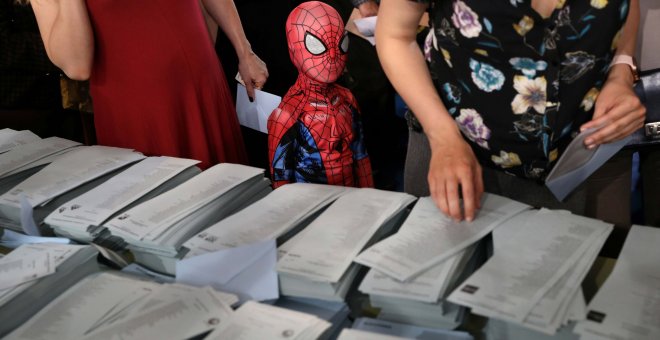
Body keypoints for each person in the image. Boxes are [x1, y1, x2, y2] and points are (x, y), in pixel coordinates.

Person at [376, 0, 646, 226]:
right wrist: (443, 136)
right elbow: (395, 35)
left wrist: (621, 71)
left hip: (575, 159)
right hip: (457, 157)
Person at [26, 0, 268, 169]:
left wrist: (244, 52)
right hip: (138, 108)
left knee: (229, 197)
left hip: (202, 84)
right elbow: (77, 66)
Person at [268, 1, 374, 189]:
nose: (333, 55)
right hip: (310, 205)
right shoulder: (287, 114)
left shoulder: (347, 99)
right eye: (316, 46)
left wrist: (371, 199)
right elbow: (281, 180)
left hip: (353, 201)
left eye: (341, 42)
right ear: (294, 49)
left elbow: (361, 156)